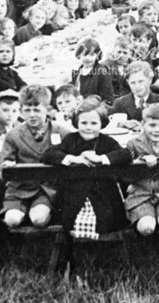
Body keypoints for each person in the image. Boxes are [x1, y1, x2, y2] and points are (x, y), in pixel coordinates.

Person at [41, 99, 133, 239]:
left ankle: (102, 250)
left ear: (102, 124)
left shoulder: (107, 141)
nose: (88, 127)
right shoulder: (71, 140)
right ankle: (72, 253)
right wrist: (72, 158)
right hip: (74, 195)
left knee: (106, 218)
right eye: (84, 123)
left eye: (94, 123)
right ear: (76, 123)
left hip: (102, 194)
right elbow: (49, 154)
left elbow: (125, 155)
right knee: (71, 217)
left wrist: (101, 158)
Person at [0, 85, 68, 230]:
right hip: (19, 189)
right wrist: (6, 166)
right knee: (12, 220)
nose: (32, 115)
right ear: (21, 111)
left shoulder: (61, 132)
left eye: (37, 110)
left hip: (47, 190)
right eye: (27, 110)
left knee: (38, 219)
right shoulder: (14, 135)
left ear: (47, 110)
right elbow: (1, 165)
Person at [125, 103, 159, 236]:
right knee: (147, 227)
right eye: (152, 125)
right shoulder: (134, 143)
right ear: (143, 124)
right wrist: (140, 163)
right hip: (140, 194)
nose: (156, 130)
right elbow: (125, 176)